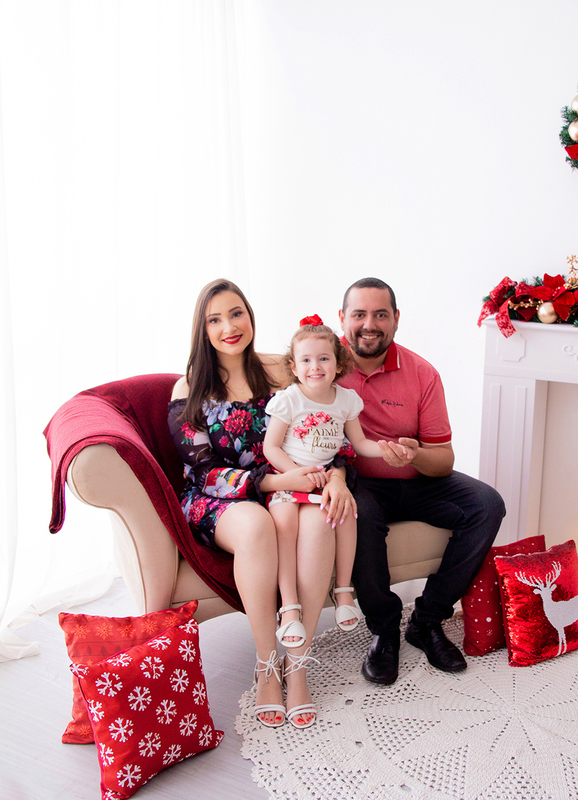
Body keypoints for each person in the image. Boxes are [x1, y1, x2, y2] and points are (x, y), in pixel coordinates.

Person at [169, 280, 356, 729]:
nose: (229, 326)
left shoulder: (279, 372)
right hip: (221, 497)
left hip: (290, 487)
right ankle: (267, 664)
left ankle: (299, 662)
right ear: (203, 330)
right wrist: (274, 480)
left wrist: (338, 478)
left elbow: (329, 431)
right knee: (255, 525)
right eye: (215, 319)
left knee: (319, 524)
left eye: (237, 313)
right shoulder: (189, 386)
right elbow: (201, 467)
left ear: (250, 316)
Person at [336, 278, 506, 685]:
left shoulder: (421, 372)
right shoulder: (327, 366)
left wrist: (415, 454)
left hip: (418, 480)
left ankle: (427, 621)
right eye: (359, 314)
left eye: (380, 314)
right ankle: (384, 629)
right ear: (342, 319)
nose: (369, 324)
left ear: (396, 319)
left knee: (487, 504)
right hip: (362, 484)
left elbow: (444, 460)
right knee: (360, 514)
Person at [262, 315, 388, 646]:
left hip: (325, 479)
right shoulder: (290, 399)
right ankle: (289, 608)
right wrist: (293, 475)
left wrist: (386, 449)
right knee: (284, 523)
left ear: (338, 363)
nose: (314, 367)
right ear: (293, 365)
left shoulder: (345, 400)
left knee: (345, 514)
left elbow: (359, 444)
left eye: (323, 358)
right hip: (288, 476)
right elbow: (270, 447)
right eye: (305, 359)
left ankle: (343, 592)